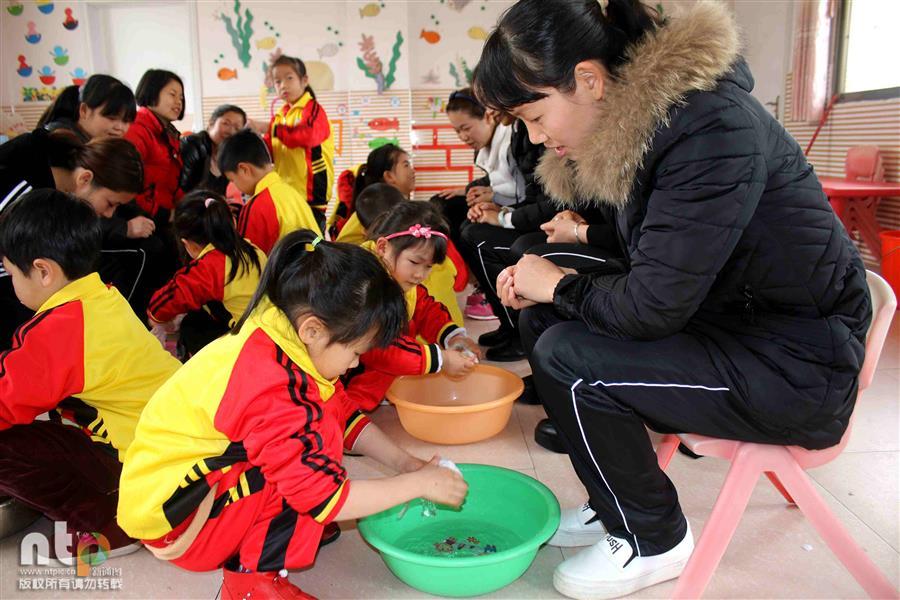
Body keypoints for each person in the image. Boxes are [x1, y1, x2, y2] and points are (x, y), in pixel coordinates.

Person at [476, 1, 871, 598]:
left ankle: (652, 539)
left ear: (588, 80)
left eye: (535, 117)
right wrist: (551, 274)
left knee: (566, 351)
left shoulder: (710, 128)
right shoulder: (660, 122)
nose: (537, 136)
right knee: (547, 298)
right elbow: (669, 243)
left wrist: (553, 282)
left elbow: (652, 306)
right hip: (734, 320)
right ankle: (615, 500)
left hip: (797, 367)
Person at [117, 230, 467, 599]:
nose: (355, 363)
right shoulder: (274, 385)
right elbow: (320, 496)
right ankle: (249, 585)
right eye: (356, 351)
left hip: (181, 491)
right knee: (303, 472)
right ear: (313, 329)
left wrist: (406, 463)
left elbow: (342, 414)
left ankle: (276, 532)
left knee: (318, 434)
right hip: (176, 520)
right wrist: (419, 485)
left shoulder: (281, 333)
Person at [0, 190, 181, 563]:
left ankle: (108, 523)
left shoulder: (61, 330)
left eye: (12, 273)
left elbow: (5, 401)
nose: (11, 283)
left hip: (147, 469)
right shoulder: (100, 296)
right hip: (175, 450)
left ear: (43, 271)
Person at [0, 130, 150, 346]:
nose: (109, 215)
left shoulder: (47, 186)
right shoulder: (22, 190)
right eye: (110, 203)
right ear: (85, 178)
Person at [344, 201, 481, 412]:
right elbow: (380, 348)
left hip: (370, 354)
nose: (420, 275)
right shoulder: (364, 283)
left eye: (428, 267)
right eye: (415, 262)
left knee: (410, 329)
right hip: (345, 367)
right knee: (390, 361)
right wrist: (441, 359)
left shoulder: (397, 275)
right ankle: (347, 413)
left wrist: (454, 337)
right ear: (382, 247)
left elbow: (427, 309)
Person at [148, 191, 265, 359]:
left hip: (245, 340)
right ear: (232, 222)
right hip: (265, 327)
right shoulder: (251, 248)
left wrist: (156, 318)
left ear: (187, 244)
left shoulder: (209, 267)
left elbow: (161, 305)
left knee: (192, 325)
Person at [218, 129, 322, 255]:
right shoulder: (290, 192)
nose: (233, 185)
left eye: (232, 180)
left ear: (244, 169)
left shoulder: (258, 205)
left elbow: (249, 265)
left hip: (290, 274)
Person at [266, 55, 334, 230]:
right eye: (277, 81)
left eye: (289, 78)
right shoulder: (280, 115)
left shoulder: (314, 109)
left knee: (313, 244)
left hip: (311, 192)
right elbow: (270, 152)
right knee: (291, 243)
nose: (283, 85)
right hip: (286, 191)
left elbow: (308, 135)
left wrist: (272, 129)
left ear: (304, 81)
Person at [125, 69, 185, 220]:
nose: (178, 102)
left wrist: (188, 204)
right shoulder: (137, 129)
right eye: (172, 94)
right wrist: (162, 214)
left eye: (181, 97)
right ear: (152, 92)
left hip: (164, 213)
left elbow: (171, 182)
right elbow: (128, 186)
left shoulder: (169, 133)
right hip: (145, 217)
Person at [37, 74, 137, 142]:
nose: (119, 127)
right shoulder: (60, 144)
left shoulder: (96, 143)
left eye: (126, 121)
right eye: (111, 118)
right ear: (84, 111)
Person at [179, 104, 247, 195]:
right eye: (226, 123)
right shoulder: (193, 145)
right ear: (211, 123)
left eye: (237, 128)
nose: (231, 131)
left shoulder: (229, 156)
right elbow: (180, 191)